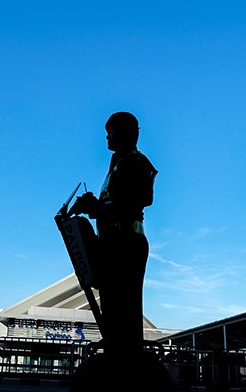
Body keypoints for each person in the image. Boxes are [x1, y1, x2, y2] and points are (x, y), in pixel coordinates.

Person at [70, 111, 158, 362]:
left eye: (111, 131)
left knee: (125, 308)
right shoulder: (117, 164)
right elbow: (112, 204)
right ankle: (116, 353)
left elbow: (139, 200)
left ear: (128, 133)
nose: (107, 137)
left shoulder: (137, 162)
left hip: (126, 243)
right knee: (112, 307)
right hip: (111, 244)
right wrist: (93, 205)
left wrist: (97, 208)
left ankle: (126, 361)